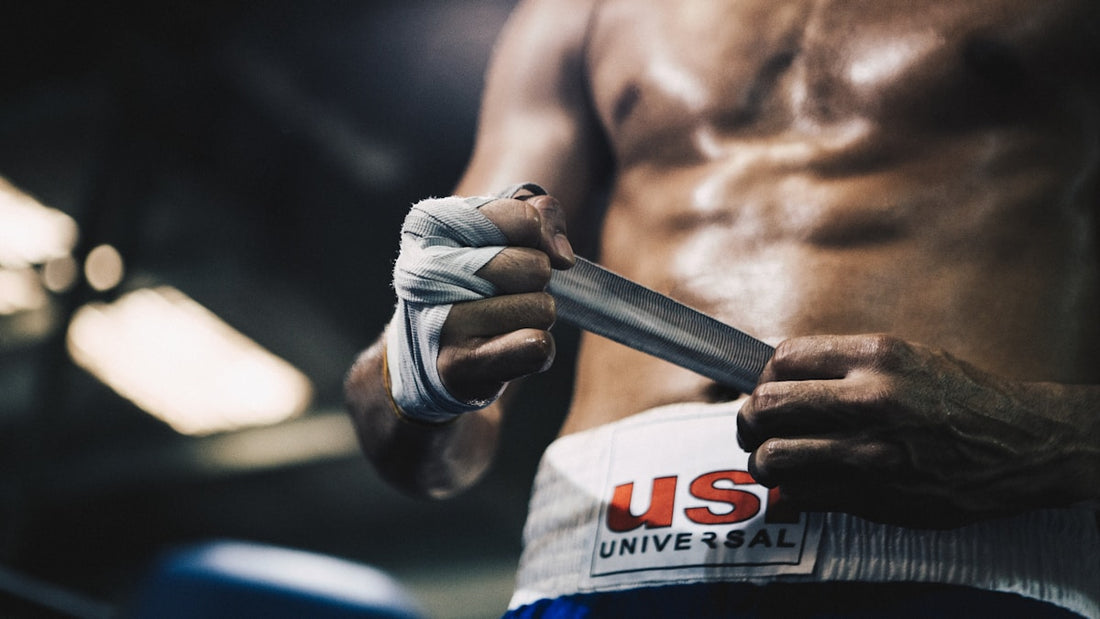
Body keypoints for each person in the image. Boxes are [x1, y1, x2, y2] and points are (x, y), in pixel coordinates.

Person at [345, 0, 1100, 616]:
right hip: (596, 562)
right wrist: (419, 376)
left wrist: (1051, 442)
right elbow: (408, 422)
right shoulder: (578, 11)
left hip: (970, 560)